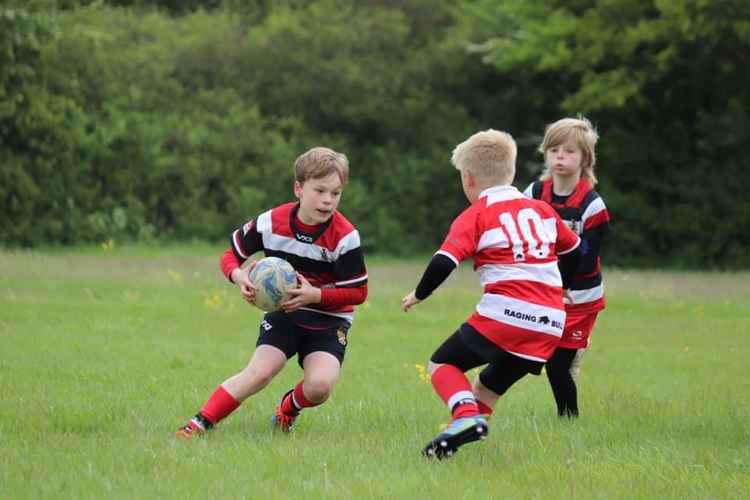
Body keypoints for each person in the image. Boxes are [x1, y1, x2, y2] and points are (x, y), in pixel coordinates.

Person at [402, 129, 581, 459]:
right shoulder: (541, 209)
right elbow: (575, 251)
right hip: (550, 322)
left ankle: (465, 419)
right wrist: (563, 287)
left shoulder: (477, 214)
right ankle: (452, 445)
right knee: (485, 388)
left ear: (468, 178)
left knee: (442, 364)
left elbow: (444, 261)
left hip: (507, 311)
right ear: (510, 172)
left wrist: (419, 294)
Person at [176, 147, 368, 438]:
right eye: (320, 191)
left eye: (336, 193)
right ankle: (197, 425)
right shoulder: (270, 222)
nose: (328, 200)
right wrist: (240, 276)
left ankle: (288, 408)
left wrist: (314, 295)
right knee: (259, 373)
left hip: (328, 321)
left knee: (319, 388)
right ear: (299, 188)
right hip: (283, 315)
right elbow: (230, 256)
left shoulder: (345, 237)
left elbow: (358, 292)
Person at [519, 116, 610, 418]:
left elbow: (586, 254)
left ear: (585, 158)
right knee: (527, 356)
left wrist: (563, 285)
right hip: (542, 293)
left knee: (558, 367)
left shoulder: (592, 205)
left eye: (570, 151)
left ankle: (569, 421)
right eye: (555, 149)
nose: (561, 156)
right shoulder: (532, 194)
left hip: (580, 298)